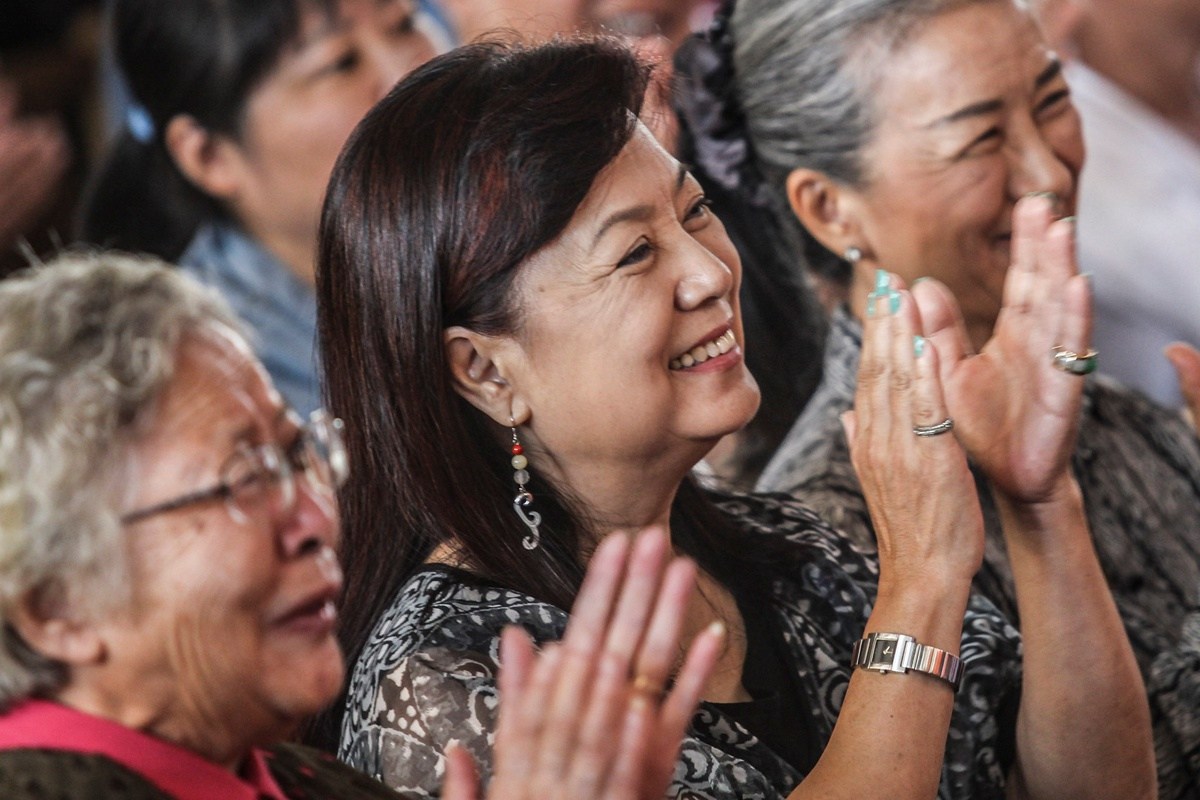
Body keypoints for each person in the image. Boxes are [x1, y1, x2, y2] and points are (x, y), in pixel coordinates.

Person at [314, 38, 1153, 799]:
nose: (709, 273)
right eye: (635, 253)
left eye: (693, 212)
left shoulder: (790, 555)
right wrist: (922, 583)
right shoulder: (441, 685)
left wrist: (1040, 507)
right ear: (486, 369)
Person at [673, 0, 1200, 795]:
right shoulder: (827, 541)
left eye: (1054, 102)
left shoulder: (1129, 417)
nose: (1048, 172)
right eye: (980, 140)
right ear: (829, 208)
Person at [0, 251, 722, 800]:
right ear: (59, 606)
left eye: (295, 455)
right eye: (243, 483)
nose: (317, 519)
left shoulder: (293, 776)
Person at [78, 0, 436, 416]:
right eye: (340, 63)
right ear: (210, 157)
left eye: (404, 24)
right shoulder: (213, 379)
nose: (412, 73)